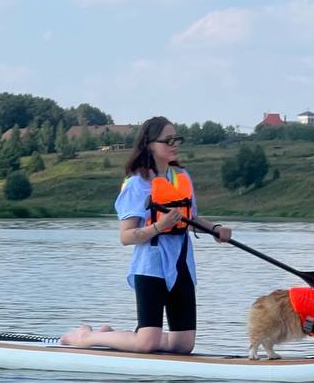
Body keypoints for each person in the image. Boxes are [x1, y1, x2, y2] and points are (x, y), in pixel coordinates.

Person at [60, 116, 232, 353]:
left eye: (177, 139)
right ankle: (85, 338)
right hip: (150, 266)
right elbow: (126, 236)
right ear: (150, 144)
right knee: (147, 343)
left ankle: (113, 337)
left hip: (181, 263)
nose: (175, 144)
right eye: (168, 140)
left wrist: (215, 229)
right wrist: (158, 227)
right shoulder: (136, 184)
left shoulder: (181, 177)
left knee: (183, 345)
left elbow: (190, 219)